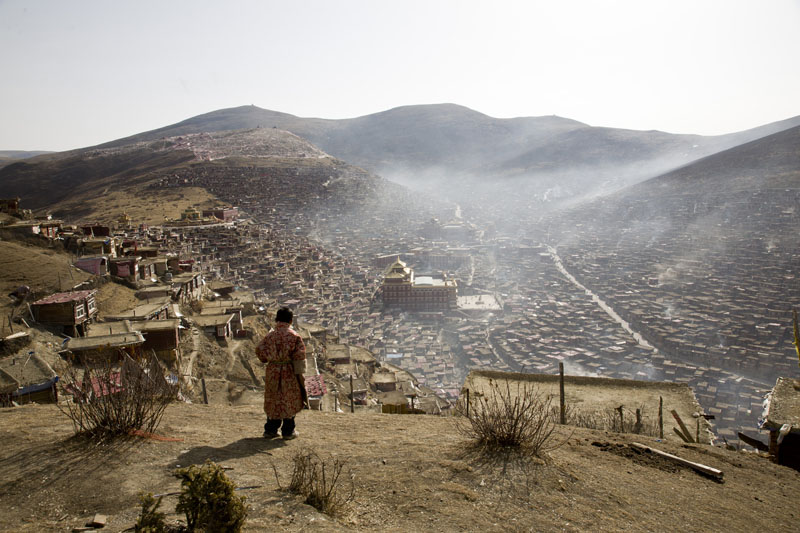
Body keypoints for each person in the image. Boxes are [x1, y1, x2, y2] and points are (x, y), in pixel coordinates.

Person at [256, 307, 307, 439]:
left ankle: (271, 429)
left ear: (277, 320)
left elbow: (259, 350)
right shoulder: (294, 336)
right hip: (288, 371)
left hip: (272, 371)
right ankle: (288, 431)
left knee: (274, 398)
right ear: (290, 320)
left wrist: (268, 359)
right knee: (289, 397)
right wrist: (300, 374)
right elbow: (300, 356)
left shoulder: (270, 335)